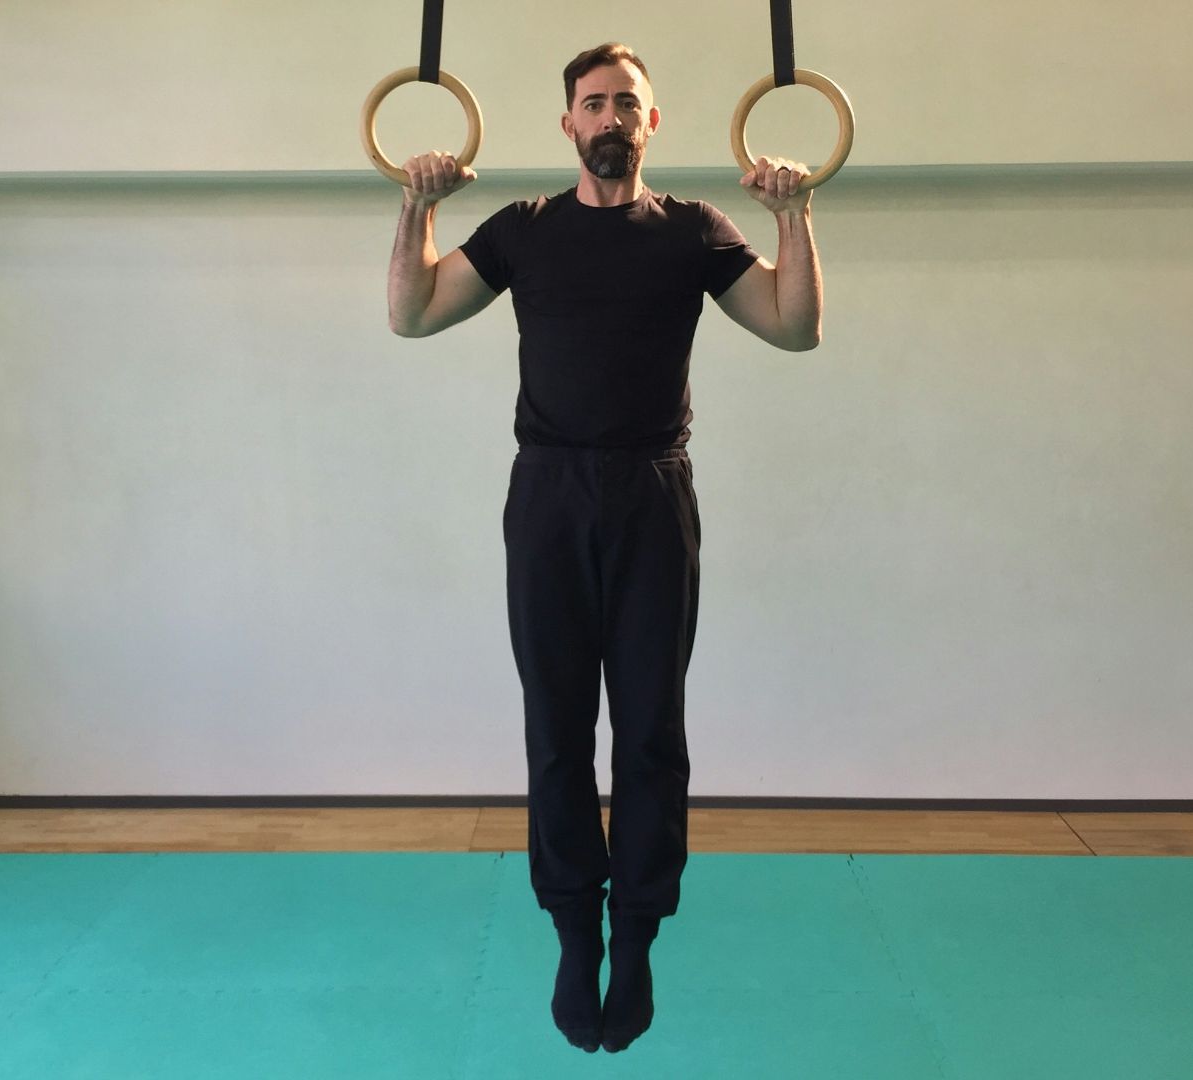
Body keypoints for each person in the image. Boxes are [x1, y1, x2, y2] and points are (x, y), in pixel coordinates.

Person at [385, 41, 823, 1054]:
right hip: (546, 494)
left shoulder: (693, 234)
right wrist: (417, 204)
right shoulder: (525, 232)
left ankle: (637, 934)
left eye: (628, 101)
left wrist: (795, 218)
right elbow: (409, 315)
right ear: (569, 125)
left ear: (652, 123)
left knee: (651, 727)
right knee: (556, 725)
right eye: (594, 102)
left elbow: (794, 327)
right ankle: (575, 932)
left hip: (651, 492)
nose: (611, 115)